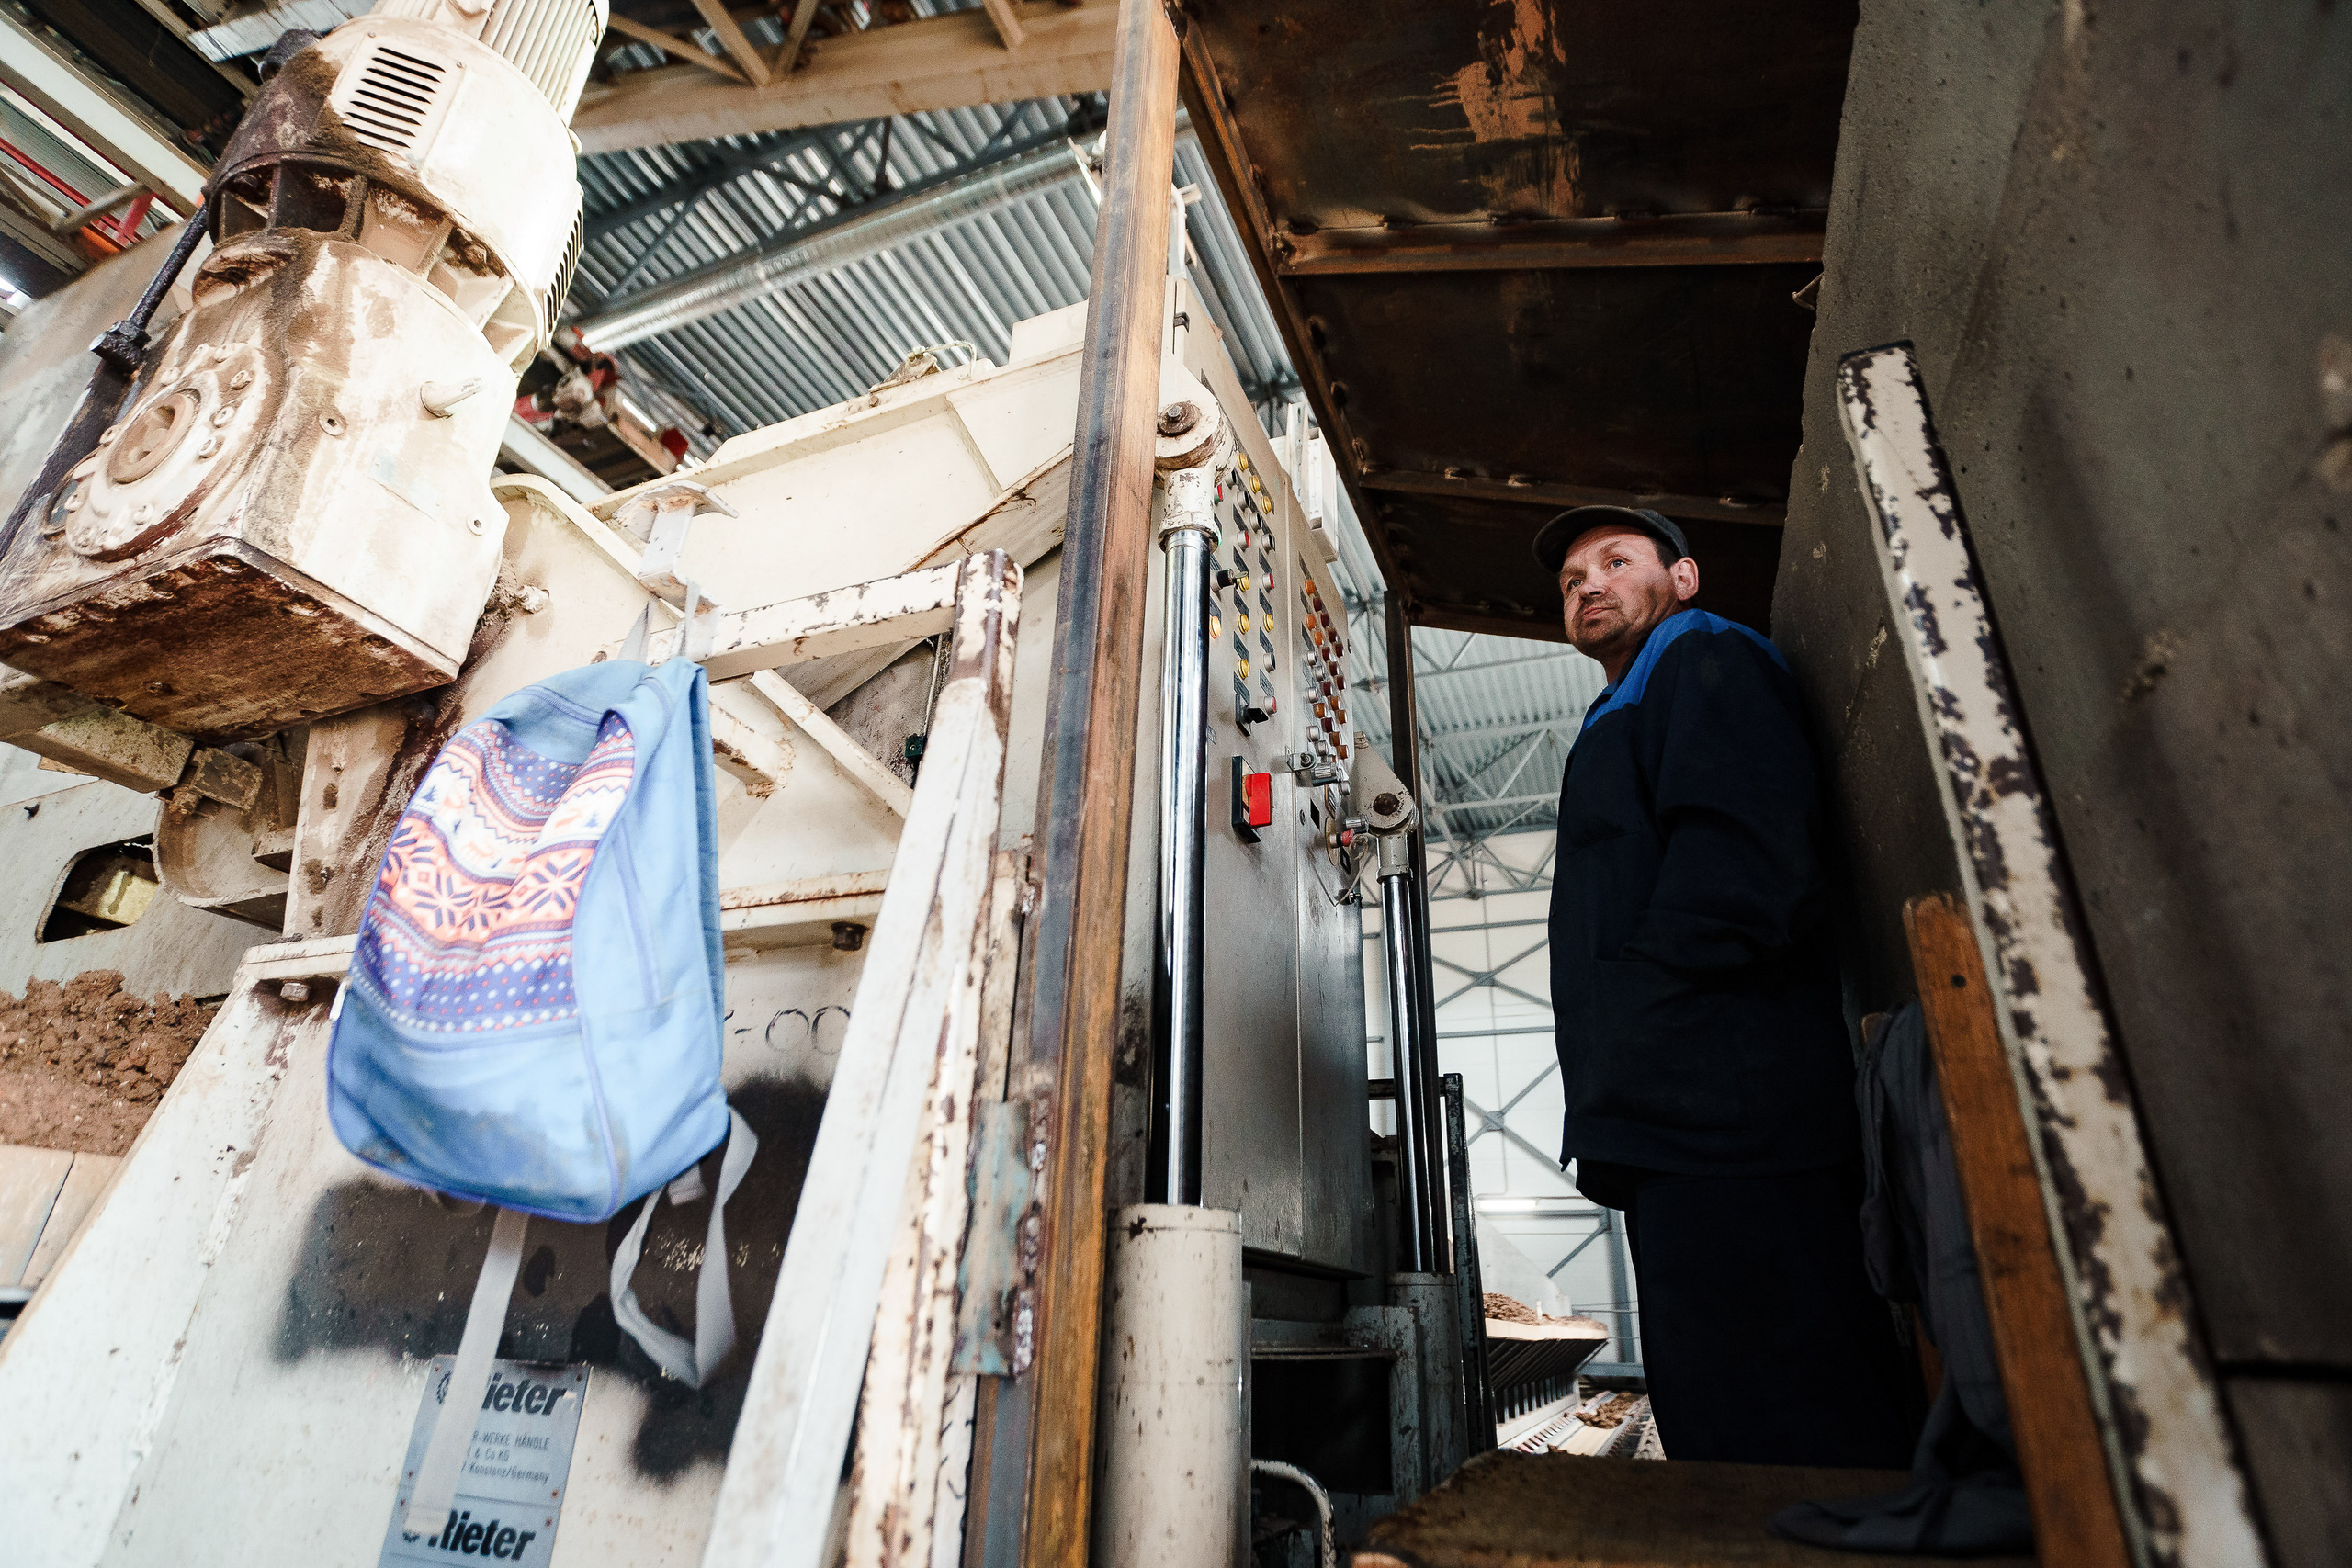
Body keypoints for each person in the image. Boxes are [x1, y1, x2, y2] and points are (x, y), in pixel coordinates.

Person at [1536, 505, 1916, 1469]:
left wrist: (1643, 1017)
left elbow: (1743, 862)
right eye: (1572, 576)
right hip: (1682, 1113)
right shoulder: (1624, 702)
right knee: (1724, 1404)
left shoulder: (1702, 654)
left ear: (1684, 578)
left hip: (1729, 1105)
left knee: (1783, 1414)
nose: (1587, 583)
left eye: (1615, 562)